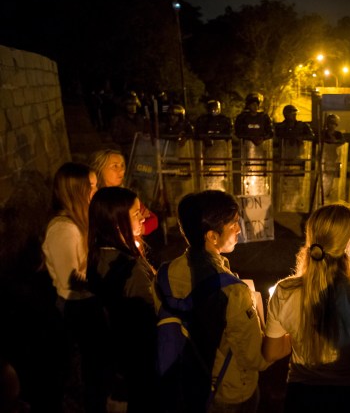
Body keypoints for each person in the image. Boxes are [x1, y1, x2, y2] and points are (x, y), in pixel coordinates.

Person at [263, 203, 350, 413]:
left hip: (303, 396)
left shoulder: (284, 291)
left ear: (311, 237)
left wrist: (302, 332)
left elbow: (270, 352)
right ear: (349, 242)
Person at [155, 190, 269, 412]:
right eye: (233, 223)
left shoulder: (164, 275)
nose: (239, 229)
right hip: (228, 392)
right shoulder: (234, 292)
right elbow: (255, 358)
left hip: (182, 381)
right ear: (212, 236)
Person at [42, 162, 108, 413]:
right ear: (75, 191)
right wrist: (107, 283)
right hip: (75, 307)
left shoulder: (80, 223)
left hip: (87, 302)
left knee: (98, 367)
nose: (95, 191)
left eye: (96, 185)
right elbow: (71, 279)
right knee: (89, 371)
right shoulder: (63, 229)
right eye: (90, 187)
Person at [87, 187, 158, 412]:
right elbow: (149, 316)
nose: (143, 217)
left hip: (113, 357)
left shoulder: (96, 254)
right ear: (117, 223)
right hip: (137, 359)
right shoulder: (130, 268)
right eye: (136, 213)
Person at [89, 149, 158, 236]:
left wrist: (136, 228)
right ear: (99, 168)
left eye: (122, 166)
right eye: (115, 166)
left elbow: (153, 220)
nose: (122, 171)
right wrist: (129, 227)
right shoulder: (94, 199)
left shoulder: (126, 196)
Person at [319, 114, 346, 202]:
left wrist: (333, 140)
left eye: (333, 123)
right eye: (330, 123)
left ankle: (328, 198)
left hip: (333, 159)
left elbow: (341, 142)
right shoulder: (322, 133)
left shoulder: (338, 134)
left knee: (332, 181)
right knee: (322, 180)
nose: (331, 125)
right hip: (323, 159)